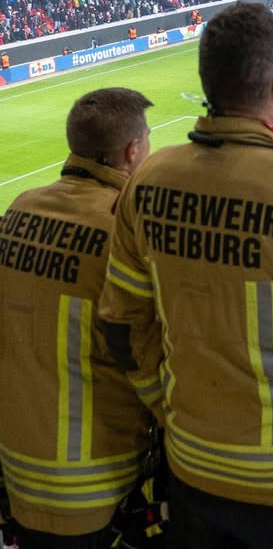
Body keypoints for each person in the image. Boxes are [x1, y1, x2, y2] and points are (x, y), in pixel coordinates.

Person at [98, 2, 273, 549]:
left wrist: (168, 408)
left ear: (207, 81)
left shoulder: (148, 179)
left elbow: (120, 324)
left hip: (190, 467)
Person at [0, 89, 154, 549]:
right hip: (95, 483)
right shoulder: (125, 229)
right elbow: (149, 354)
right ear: (132, 151)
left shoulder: (19, 210)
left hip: (15, 468)